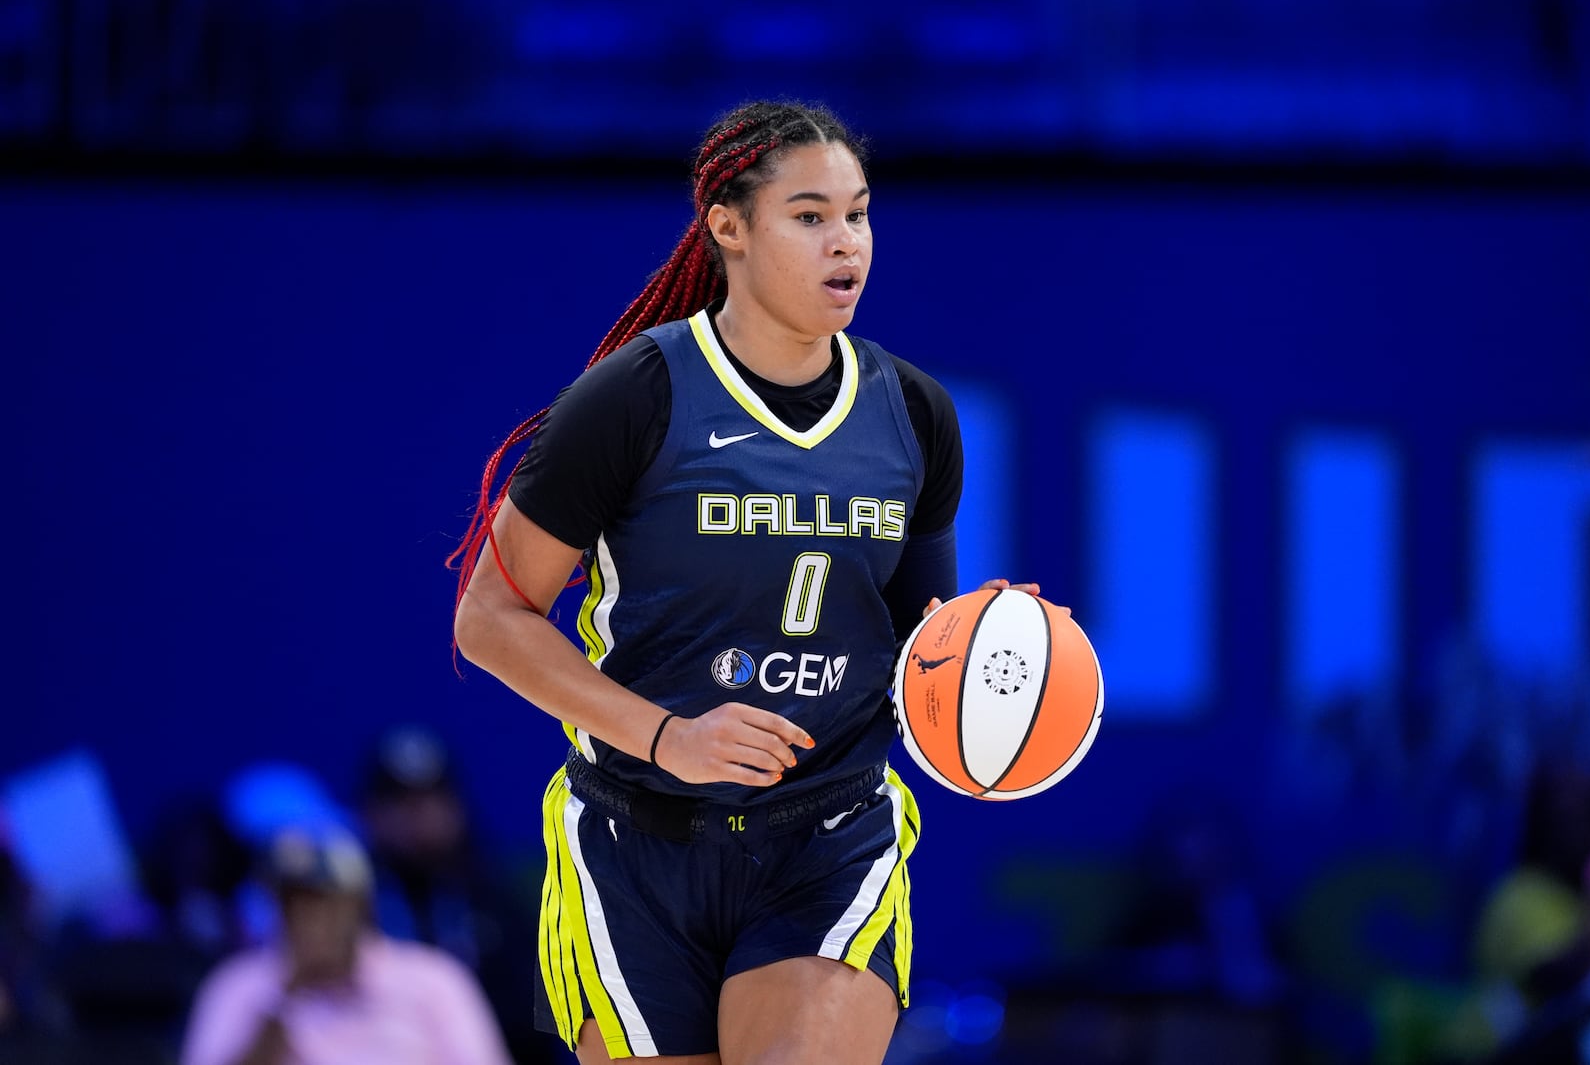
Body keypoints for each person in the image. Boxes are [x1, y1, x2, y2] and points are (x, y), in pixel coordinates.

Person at [450, 99, 1041, 1064]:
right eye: (810, 216)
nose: (845, 243)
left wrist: (987, 686)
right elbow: (491, 617)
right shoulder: (633, 398)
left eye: (857, 214)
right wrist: (668, 736)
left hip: (827, 828)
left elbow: (922, 642)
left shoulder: (914, 413)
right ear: (729, 226)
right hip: (636, 835)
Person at [178, 825, 514, 1065]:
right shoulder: (237, 986)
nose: (310, 920)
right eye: (294, 903)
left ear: (359, 905)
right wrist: (283, 1001)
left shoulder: (433, 979)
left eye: (324, 902)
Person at [360, 725, 556, 1063]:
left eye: (432, 798)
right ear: (371, 813)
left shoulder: (505, 893)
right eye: (401, 802)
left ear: (457, 806)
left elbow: (541, 1015)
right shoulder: (354, 903)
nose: (418, 816)